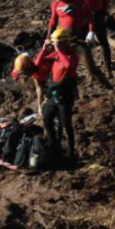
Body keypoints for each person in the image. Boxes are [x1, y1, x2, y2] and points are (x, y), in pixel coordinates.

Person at [48, 0, 113, 90]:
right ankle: (68, 93)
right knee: (60, 68)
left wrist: (91, 31)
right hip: (62, 41)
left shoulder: (79, 1)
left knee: (91, 68)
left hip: (78, 40)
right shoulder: (55, 4)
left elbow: (90, 16)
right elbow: (53, 21)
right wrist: (47, 38)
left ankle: (108, 87)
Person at [38, 28, 79, 164]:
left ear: (64, 43)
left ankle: (70, 152)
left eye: (58, 44)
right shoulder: (56, 54)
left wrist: (58, 50)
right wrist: (44, 49)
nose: (57, 46)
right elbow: (38, 63)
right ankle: (54, 144)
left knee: (66, 124)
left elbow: (68, 66)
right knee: (46, 119)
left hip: (65, 96)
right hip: (53, 94)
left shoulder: (72, 56)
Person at [74, 0, 114, 77]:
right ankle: (109, 70)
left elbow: (76, 4)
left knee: (83, 45)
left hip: (85, 19)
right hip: (99, 17)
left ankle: (89, 70)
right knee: (104, 44)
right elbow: (106, 4)